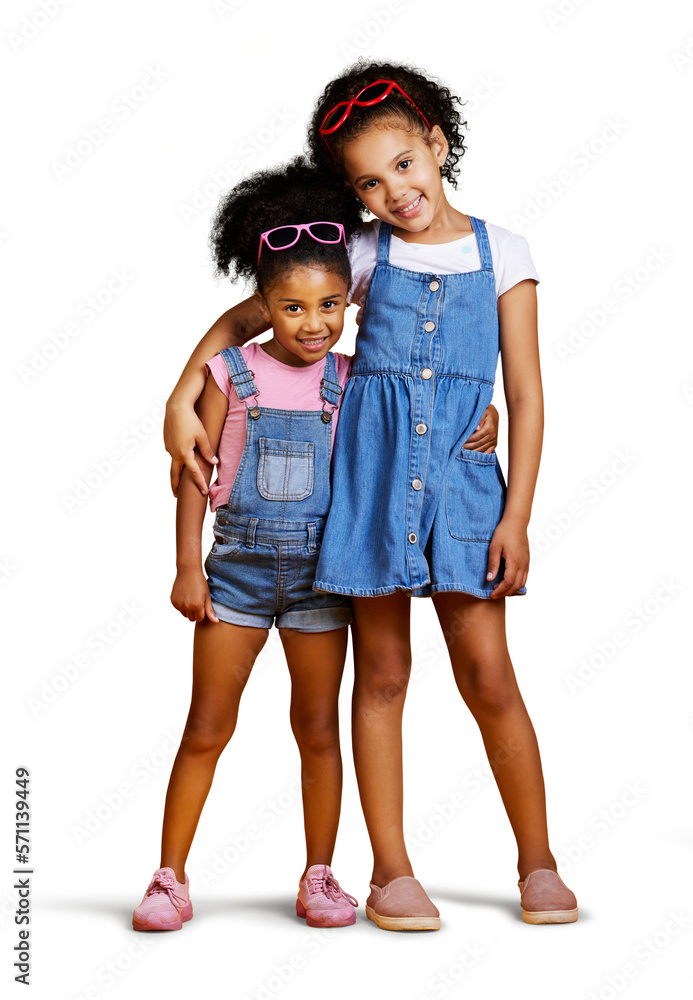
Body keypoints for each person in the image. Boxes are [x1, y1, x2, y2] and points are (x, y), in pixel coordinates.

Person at [166, 59, 576, 930]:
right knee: (382, 676)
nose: (393, 191)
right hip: (367, 489)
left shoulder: (505, 251)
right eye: (366, 182)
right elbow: (254, 319)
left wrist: (518, 515)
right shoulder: (358, 252)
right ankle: (390, 871)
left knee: (488, 675)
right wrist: (178, 394)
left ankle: (536, 861)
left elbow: (529, 393)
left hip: (465, 493)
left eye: (402, 164)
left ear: (435, 144)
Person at [133, 158, 360, 932]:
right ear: (262, 305)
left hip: (323, 583)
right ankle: (169, 876)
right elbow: (195, 473)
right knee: (207, 723)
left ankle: (320, 874)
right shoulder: (227, 373)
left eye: (330, 304)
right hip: (233, 577)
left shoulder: (351, 378)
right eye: (293, 307)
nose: (314, 323)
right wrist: (185, 564)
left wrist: (484, 423)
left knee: (318, 726)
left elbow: (406, 431)